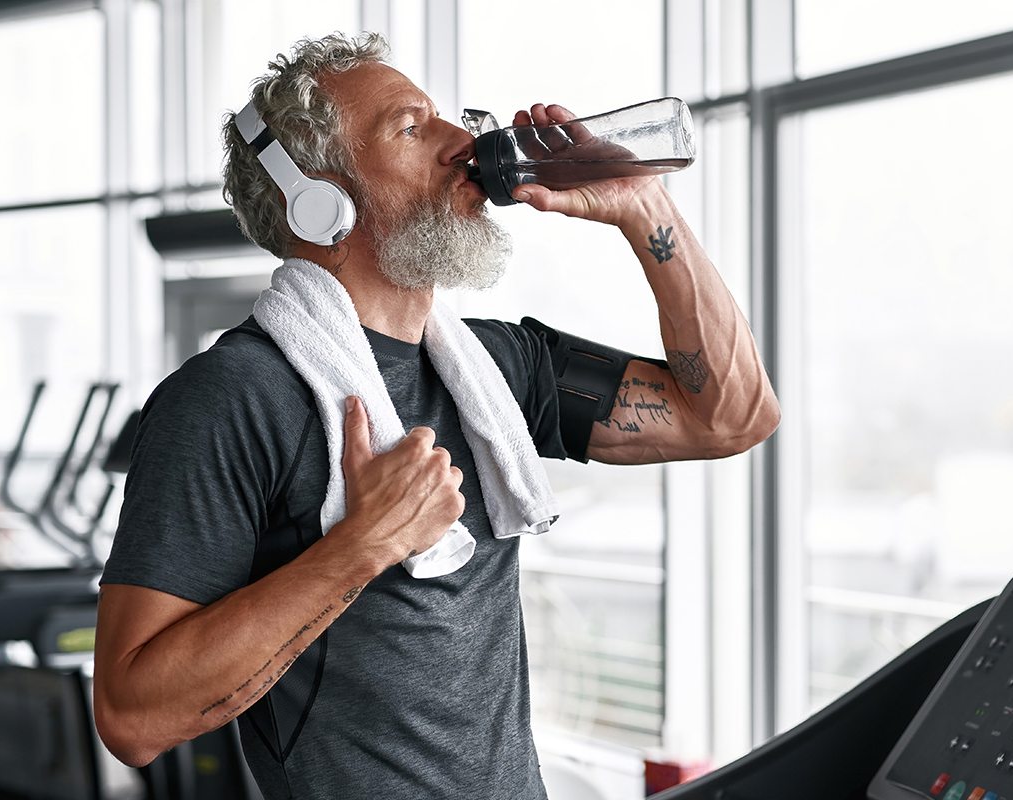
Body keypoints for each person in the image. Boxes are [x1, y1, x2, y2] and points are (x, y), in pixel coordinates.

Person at [91, 32, 778, 799]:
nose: (465, 143)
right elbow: (132, 716)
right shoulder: (232, 397)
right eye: (412, 128)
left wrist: (644, 210)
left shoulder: (495, 372)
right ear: (321, 201)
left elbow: (732, 416)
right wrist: (362, 546)